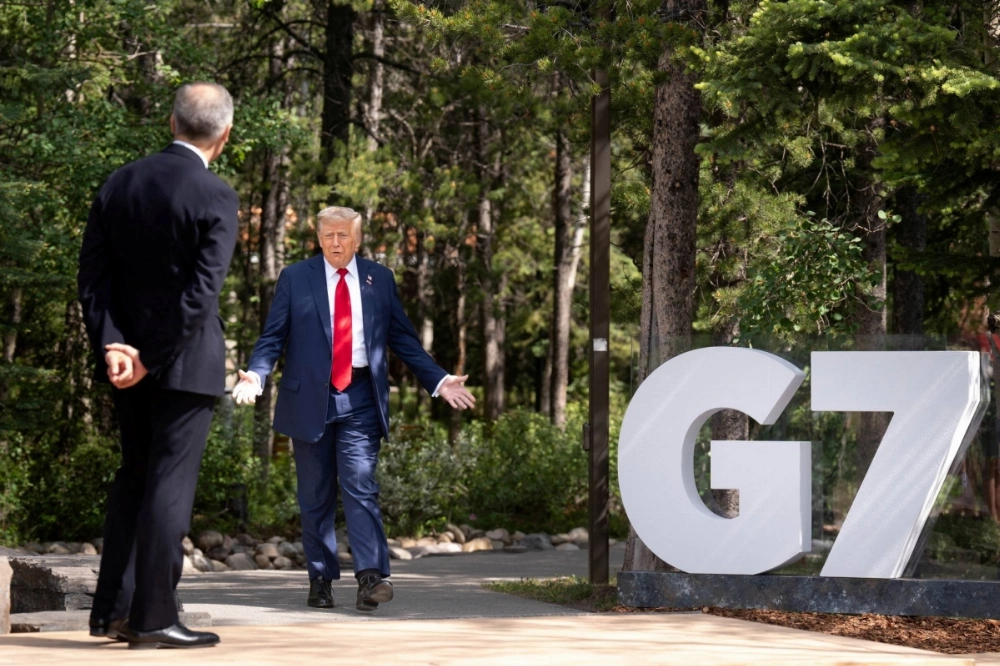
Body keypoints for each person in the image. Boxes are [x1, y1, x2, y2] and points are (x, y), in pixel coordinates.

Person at [232, 206, 475, 611]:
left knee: (361, 484)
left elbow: (403, 338)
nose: (336, 243)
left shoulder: (379, 279)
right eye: (328, 235)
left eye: (344, 235)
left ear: (358, 239)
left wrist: (438, 378)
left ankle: (371, 577)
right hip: (309, 397)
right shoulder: (296, 277)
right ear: (318, 237)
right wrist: (256, 374)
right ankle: (321, 578)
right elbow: (272, 337)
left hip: (360, 395)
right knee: (315, 496)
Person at [78, 82, 238, 649]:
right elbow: (201, 293)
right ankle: (152, 618)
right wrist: (151, 356)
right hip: (183, 366)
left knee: (134, 478)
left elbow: (93, 279)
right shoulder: (215, 195)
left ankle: (113, 613)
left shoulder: (120, 181)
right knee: (169, 487)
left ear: (172, 122)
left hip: (126, 365)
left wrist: (115, 345)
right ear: (224, 134)